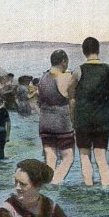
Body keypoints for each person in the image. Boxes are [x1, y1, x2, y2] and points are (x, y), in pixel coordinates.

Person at [70, 37, 109, 186]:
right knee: (101, 157)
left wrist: (72, 120)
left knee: (84, 155)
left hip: (83, 119)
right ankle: (106, 187)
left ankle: (88, 186)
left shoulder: (79, 70)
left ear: (83, 51)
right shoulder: (108, 69)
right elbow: (108, 92)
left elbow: (71, 94)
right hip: (102, 118)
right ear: (98, 49)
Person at [38, 49, 76, 184]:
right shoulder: (64, 76)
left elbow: (39, 100)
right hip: (61, 121)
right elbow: (71, 98)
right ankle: (55, 182)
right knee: (68, 157)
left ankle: (47, 183)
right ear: (64, 61)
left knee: (50, 156)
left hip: (44, 120)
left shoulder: (43, 77)